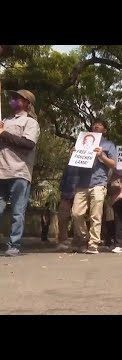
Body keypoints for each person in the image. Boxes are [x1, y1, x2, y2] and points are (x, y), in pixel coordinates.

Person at [0, 89, 40, 256]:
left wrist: (4, 133)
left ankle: (14, 244)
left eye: (18, 98)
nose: (13, 100)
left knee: (17, 211)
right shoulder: (4, 121)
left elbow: (28, 144)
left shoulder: (30, 123)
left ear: (27, 103)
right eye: (13, 97)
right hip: (1, 171)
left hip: (19, 172)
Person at [71, 119, 116, 254]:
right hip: (82, 184)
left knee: (95, 215)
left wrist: (102, 155)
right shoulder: (81, 142)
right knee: (76, 213)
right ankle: (84, 237)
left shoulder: (108, 145)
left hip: (99, 183)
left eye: (100, 125)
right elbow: (75, 163)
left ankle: (93, 244)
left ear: (105, 130)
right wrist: (74, 153)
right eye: (94, 124)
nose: (96, 126)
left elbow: (113, 164)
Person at [57, 151, 79, 251]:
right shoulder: (68, 165)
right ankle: (62, 240)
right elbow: (63, 179)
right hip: (66, 193)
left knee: (78, 216)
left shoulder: (85, 164)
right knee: (62, 216)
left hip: (79, 192)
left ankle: (78, 240)